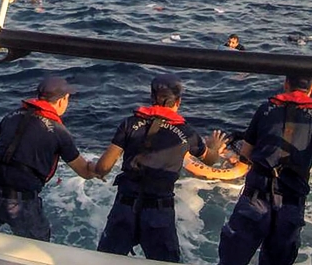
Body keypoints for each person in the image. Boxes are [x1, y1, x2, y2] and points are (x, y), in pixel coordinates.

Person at [218, 75, 312, 265]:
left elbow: (247, 152)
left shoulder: (265, 109)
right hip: (290, 201)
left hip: (256, 197)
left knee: (233, 258)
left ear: (286, 84)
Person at [95, 74, 226, 262]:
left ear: (151, 97)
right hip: (158, 213)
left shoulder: (130, 123)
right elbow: (210, 159)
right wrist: (214, 146)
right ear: (178, 101)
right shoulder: (187, 133)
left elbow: (103, 168)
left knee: (105, 261)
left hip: (125, 207)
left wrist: (92, 169)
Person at [0, 76, 99, 241]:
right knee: (37, 247)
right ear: (62, 100)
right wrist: (100, 168)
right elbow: (84, 172)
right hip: (20, 202)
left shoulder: (10, 116)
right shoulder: (60, 132)